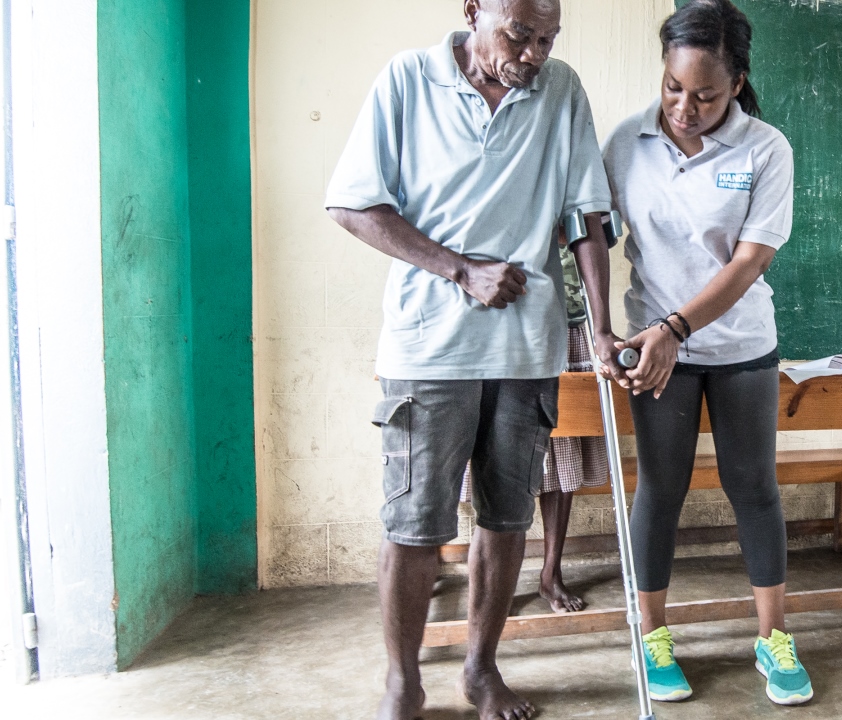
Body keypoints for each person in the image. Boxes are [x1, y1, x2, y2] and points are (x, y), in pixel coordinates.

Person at [324, 1, 622, 718]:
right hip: (428, 345)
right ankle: (404, 680)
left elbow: (586, 215)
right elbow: (353, 204)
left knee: (507, 517)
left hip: (526, 349)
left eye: (548, 37)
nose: (535, 52)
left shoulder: (561, 91)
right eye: (520, 33)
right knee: (415, 522)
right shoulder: (407, 80)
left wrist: (605, 327)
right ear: (473, 10)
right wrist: (460, 270)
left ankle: (482, 670)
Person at [601, 0, 812, 707]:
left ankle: (774, 638)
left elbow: (749, 263)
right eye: (672, 88)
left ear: (738, 83)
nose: (684, 108)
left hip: (740, 344)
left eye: (705, 95)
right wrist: (601, 325)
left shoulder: (766, 150)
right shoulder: (626, 142)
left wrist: (676, 326)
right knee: (659, 490)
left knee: (753, 486)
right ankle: (653, 638)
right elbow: (590, 240)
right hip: (652, 350)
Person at [459, 234, 609, 614]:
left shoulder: (580, 183)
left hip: (568, 321)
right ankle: (496, 578)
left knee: (564, 450)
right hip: (495, 320)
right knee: (495, 455)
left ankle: (550, 573)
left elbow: (598, 237)